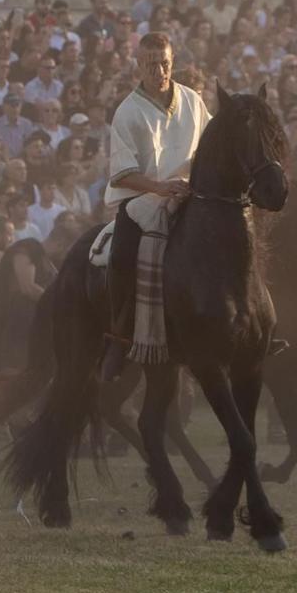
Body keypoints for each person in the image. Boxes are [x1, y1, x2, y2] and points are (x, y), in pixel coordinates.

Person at [98, 32, 210, 382]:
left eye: (164, 63)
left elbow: (208, 150)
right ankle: (121, 333)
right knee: (121, 253)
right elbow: (123, 174)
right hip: (144, 200)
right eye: (151, 64)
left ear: (172, 62)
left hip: (191, 194)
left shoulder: (192, 100)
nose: (159, 70)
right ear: (138, 65)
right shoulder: (128, 111)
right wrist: (160, 187)